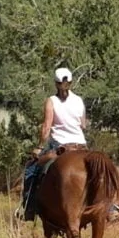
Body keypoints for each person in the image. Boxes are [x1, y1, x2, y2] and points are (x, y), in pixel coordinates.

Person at [21, 67, 88, 221]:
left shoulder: (51, 101)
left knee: (31, 169)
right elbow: (83, 125)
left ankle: (29, 207)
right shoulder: (79, 100)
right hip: (81, 145)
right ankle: (110, 205)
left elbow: (46, 127)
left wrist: (39, 147)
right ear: (71, 82)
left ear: (56, 83)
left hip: (60, 146)